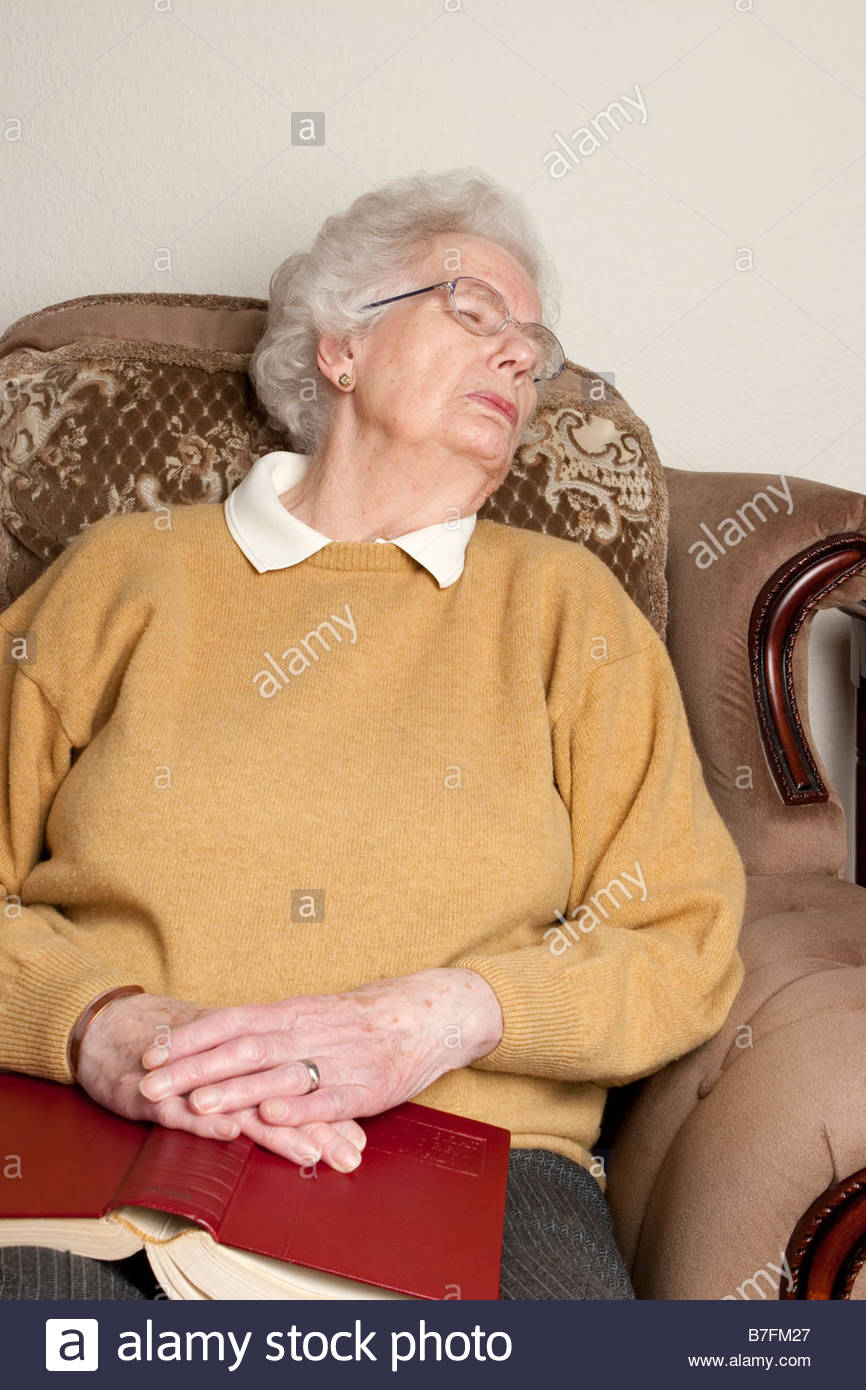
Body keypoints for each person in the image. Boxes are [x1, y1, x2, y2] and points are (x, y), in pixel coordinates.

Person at [0, 168, 746, 1301]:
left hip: (465, 1155)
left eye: (533, 347)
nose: (519, 358)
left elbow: (679, 938)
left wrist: (430, 1020)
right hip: (99, 1134)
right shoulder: (125, 574)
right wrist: (98, 1025)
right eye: (473, 311)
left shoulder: (563, 606)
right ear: (337, 347)